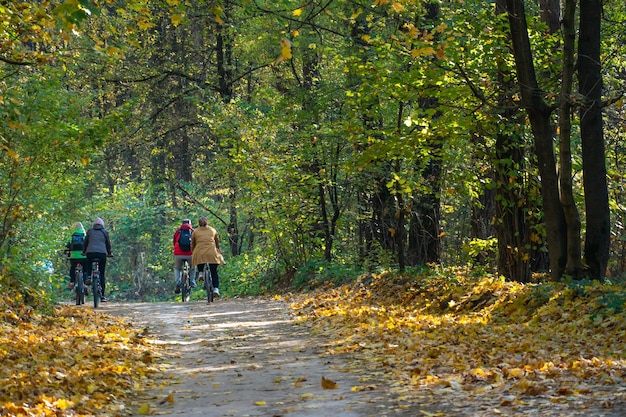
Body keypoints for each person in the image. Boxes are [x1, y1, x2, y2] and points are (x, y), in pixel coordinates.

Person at [191, 216, 224, 297]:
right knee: (214, 271)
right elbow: (217, 242)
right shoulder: (213, 230)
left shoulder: (195, 231)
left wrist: (193, 251)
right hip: (212, 252)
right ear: (207, 222)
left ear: (199, 223)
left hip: (200, 251)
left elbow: (192, 244)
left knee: (200, 257)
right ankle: (216, 289)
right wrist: (218, 249)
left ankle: (201, 273)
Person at [82, 217, 113, 302]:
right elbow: (108, 244)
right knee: (102, 274)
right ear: (102, 225)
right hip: (102, 253)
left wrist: (84, 252)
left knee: (88, 263)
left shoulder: (90, 231)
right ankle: (102, 296)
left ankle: (88, 276)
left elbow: (85, 243)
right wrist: (109, 253)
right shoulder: (105, 232)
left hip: (90, 252)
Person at [173, 218, 196, 293]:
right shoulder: (193, 231)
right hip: (190, 254)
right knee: (193, 267)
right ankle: (192, 281)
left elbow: (174, 242)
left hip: (179, 254)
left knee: (177, 268)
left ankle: (178, 282)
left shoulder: (178, 231)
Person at [65, 222, 87, 292]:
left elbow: (67, 247)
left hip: (73, 256)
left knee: (72, 268)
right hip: (83, 256)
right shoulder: (85, 235)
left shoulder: (71, 236)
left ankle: (72, 282)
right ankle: (85, 284)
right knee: (85, 269)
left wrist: (66, 252)